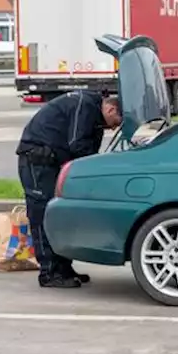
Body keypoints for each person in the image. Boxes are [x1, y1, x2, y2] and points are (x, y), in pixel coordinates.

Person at [15, 91, 122, 288]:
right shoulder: (86, 107)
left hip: (52, 162)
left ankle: (63, 267)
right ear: (111, 108)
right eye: (116, 121)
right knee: (43, 214)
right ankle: (49, 272)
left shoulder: (94, 112)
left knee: (60, 215)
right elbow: (78, 145)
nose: (113, 128)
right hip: (37, 162)